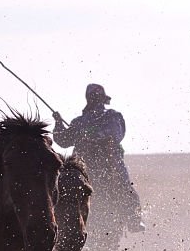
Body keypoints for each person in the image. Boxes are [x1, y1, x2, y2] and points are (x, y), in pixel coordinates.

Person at [53, 84, 145, 232]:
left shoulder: (112, 116)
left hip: (110, 165)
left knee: (124, 187)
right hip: (84, 168)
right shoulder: (78, 122)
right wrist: (58, 123)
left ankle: (133, 218)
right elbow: (63, 140)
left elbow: (115, 135)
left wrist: (89, 136)